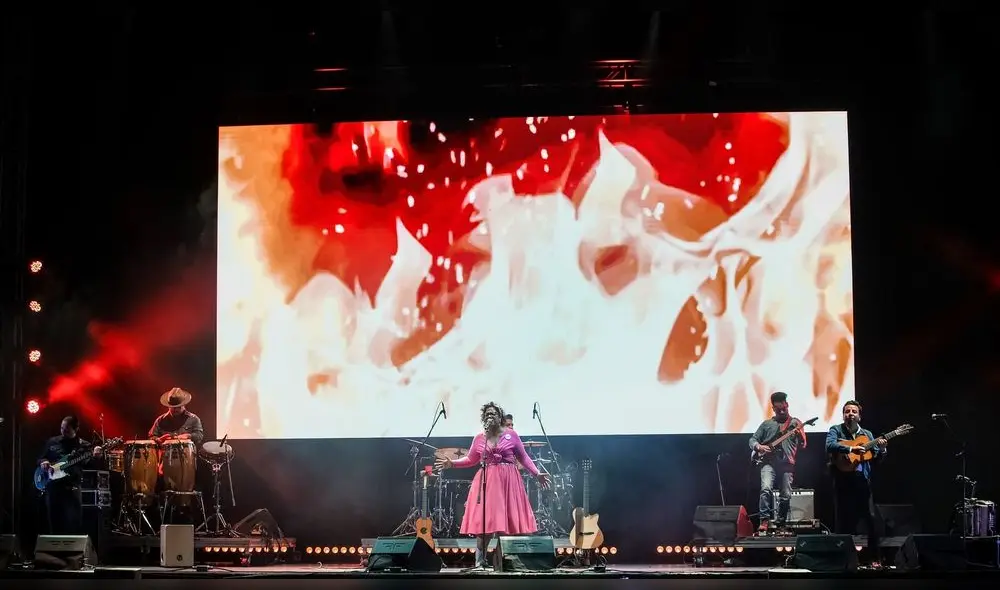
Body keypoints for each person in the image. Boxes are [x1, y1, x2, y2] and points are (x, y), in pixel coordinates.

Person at [436, 402, 549, 568]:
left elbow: (523, 457)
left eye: (493, 413)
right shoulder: (480, 438)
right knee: (486, 524)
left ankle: (504, 563)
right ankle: (480, 563)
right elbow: (471, 459)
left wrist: (537, 473)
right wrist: (452, 463)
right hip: (488, 482)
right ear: (484, 418)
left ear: (500, 417)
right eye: (487, 414)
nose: (490, 416)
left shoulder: (512, 435)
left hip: (509, 482)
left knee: (506, 525)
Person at [826, 400, 887, 566]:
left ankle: (875, 558)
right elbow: (829, 445)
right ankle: (842, 560)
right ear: (843, 415)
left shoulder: (867, 434)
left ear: (859, 416)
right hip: (842, 481)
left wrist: (882, 450)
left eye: (854, 411)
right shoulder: (836, 430)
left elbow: (875, 458)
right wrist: (851, 449)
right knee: (843, 521)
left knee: (871, 519)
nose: (850, 414)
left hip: (862, 482)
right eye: (847, 411)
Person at [748, 391, 807, 533]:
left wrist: (799, 436)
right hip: (768, 463)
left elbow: (803, 445)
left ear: (787, 405)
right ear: (773, 408)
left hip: (787, 464)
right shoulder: (767, 424)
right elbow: (752, 440)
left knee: (786, 494)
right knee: (766, 489)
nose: (781, 411)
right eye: (778, 409)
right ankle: (764, 521)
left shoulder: (796, 423)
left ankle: (781, 522)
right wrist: (759, 446)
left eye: (784, 408)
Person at [37, 415, 103, 534]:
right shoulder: (52, 441)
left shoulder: (84, 446)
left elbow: (88, 464)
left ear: (76, 429)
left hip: (72, 489)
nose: (63, 431)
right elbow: (41, 458)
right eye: (62, 428)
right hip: (53, 489)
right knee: (54, 524)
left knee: (74, 525)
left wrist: (96, 457)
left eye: (66, 430)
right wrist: (44, 462)